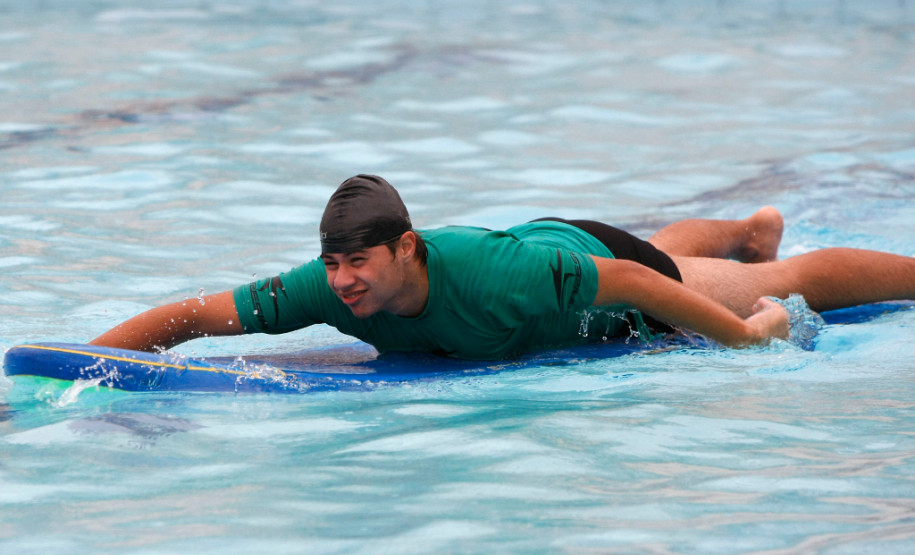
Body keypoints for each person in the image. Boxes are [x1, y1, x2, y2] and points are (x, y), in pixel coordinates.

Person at [91, 175, 915, 359]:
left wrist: (740, 340)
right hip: (544, 253)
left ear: (406, 247)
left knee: (764, 284)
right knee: (683, 253)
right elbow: (197, 314)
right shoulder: (331, 288)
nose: (342, 280)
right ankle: (747, 223)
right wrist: (96, 360)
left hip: (592, 259)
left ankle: (763, 249)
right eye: (331, 263)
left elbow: (632, 284)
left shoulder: (495, 276)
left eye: (357, 263)